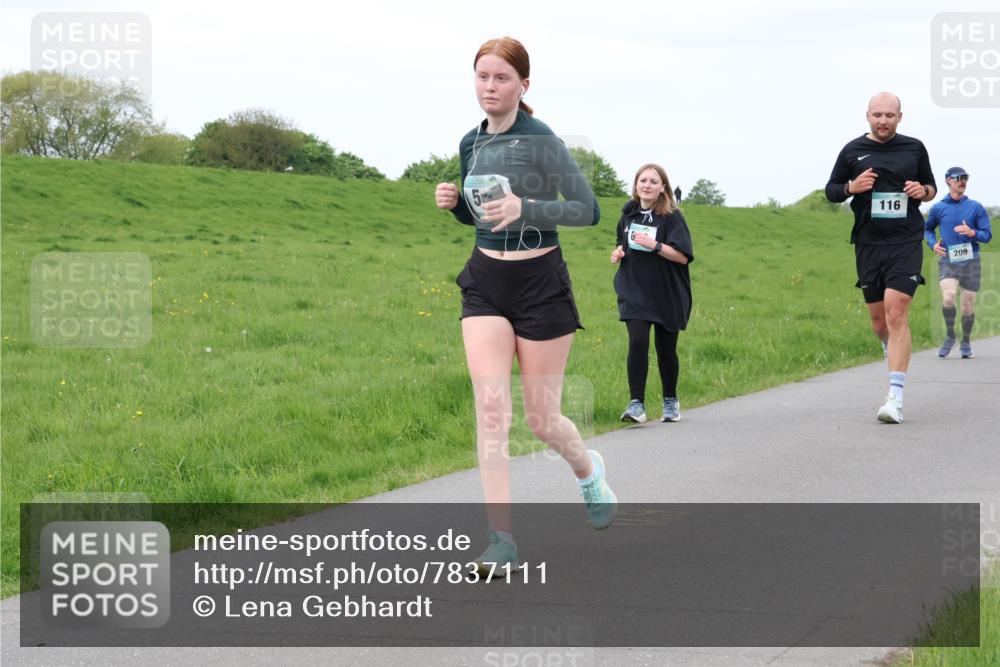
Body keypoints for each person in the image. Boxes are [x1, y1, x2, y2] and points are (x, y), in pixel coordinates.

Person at [434, 37, 616, 574]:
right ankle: (502, 540)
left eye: (501, 79)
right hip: (486, 280)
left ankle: (589, 473)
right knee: (491, 408)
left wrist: (526, 206)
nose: (489, 88)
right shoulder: (470, 142)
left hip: (540, 283)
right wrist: (454, 207)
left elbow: (587, 210)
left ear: (523, 85)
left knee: (541, 419)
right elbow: (481, 215)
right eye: (482, 77)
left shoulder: (541, 140)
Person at [825, 92, 936, 424]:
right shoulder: (852, 151)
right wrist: (851, 187)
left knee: (897, 311)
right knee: (879, 322)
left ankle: (895, 396)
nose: (883, 121)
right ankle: (891, 352)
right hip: (869, 244)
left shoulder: (914, 148)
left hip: (906, 241)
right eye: (877, 115)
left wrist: (924, 192)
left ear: (900, 117)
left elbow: (930, 186)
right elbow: (830, 190)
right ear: (867, 116)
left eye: (890, 115)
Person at [611, 164, 694, 424]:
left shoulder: (672, 217)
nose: (646, 185)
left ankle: (670, 400)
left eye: (653, 181)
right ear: (636, 185)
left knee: (666, 350)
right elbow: (622, 243)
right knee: (637, 342)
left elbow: (682, 257)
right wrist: (617, 252)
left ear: (662, 188)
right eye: (642, 180)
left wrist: (656, 245)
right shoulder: (628, 214)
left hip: (666, 291)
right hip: (634, 288)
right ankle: (637, 404)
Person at [925, 166, 993, 359]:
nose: (963, 181)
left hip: (971, 261)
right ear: (948, 181)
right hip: (948, 260)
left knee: (967, 306)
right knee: (948, 297)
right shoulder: (938, 208)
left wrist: (973, 233)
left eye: (965, 178)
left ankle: (966, 342)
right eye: (959, 178)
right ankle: (950, 336)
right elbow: (927, 229)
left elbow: (987, 235)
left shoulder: (976, 207)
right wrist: (932, 244)